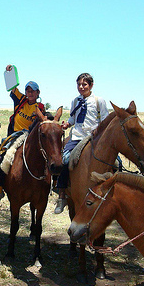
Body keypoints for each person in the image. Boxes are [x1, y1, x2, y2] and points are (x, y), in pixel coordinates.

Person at [54, 73, 109, 214]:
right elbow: (73, 118)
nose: (81, 87)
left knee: (115, 162)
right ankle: (62, 195)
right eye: (79, 84)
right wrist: (67, 124)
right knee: (64, 159)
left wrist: (99, 130)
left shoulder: (99, 101)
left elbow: (105, 119)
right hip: (77, 137)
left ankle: (114, 194)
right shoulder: (75, 100)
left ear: (91, 85)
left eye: (84, 84)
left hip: (93, 138)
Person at [0, 64, 45, 207]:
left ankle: (48, 186)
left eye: (32, 91)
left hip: (29, 136)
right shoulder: (20, 100)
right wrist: (10, 71)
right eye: (28, 90)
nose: (29, 93)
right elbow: (12, 86)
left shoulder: (40, 107)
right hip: (14, 135)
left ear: (38, 93)